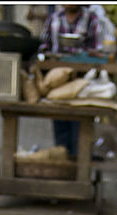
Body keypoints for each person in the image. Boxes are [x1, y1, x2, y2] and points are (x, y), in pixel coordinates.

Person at [38, 5, 103, 158]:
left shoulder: (91, 19)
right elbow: (44, 46)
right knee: (60, 124)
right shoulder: (54, 18)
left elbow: (97, 49)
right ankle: (63, 161)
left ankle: (79, 159)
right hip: (57, 81)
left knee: (80, 126)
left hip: (82, 81)